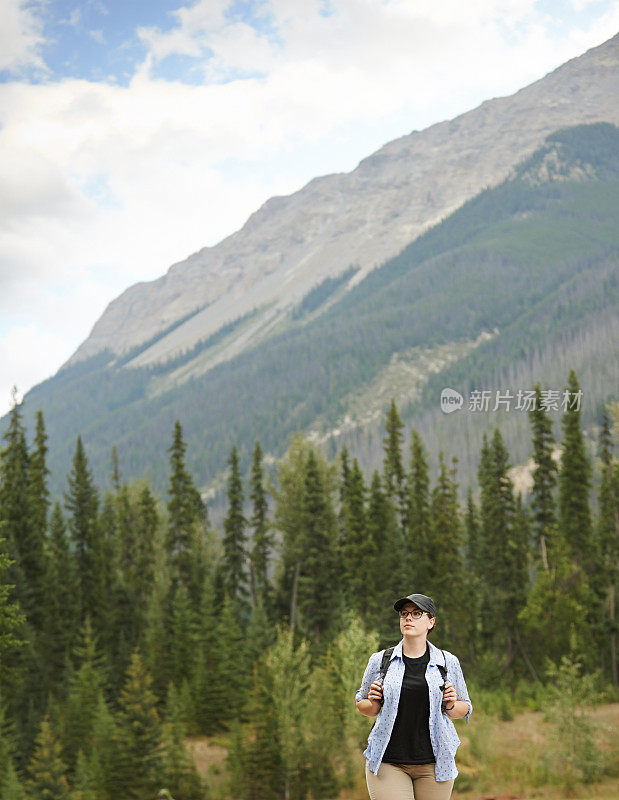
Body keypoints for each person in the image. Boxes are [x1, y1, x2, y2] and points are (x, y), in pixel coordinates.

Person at [355, 593, 472, 800]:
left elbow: (464, 708)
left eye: (417, 613)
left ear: (431, 622)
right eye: (404, 614)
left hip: (436, 764)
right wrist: (372, 702)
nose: (408, 618)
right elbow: (364, 706)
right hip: (388, 761)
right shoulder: (381, 660)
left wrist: (451, 704)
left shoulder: (447, 662)